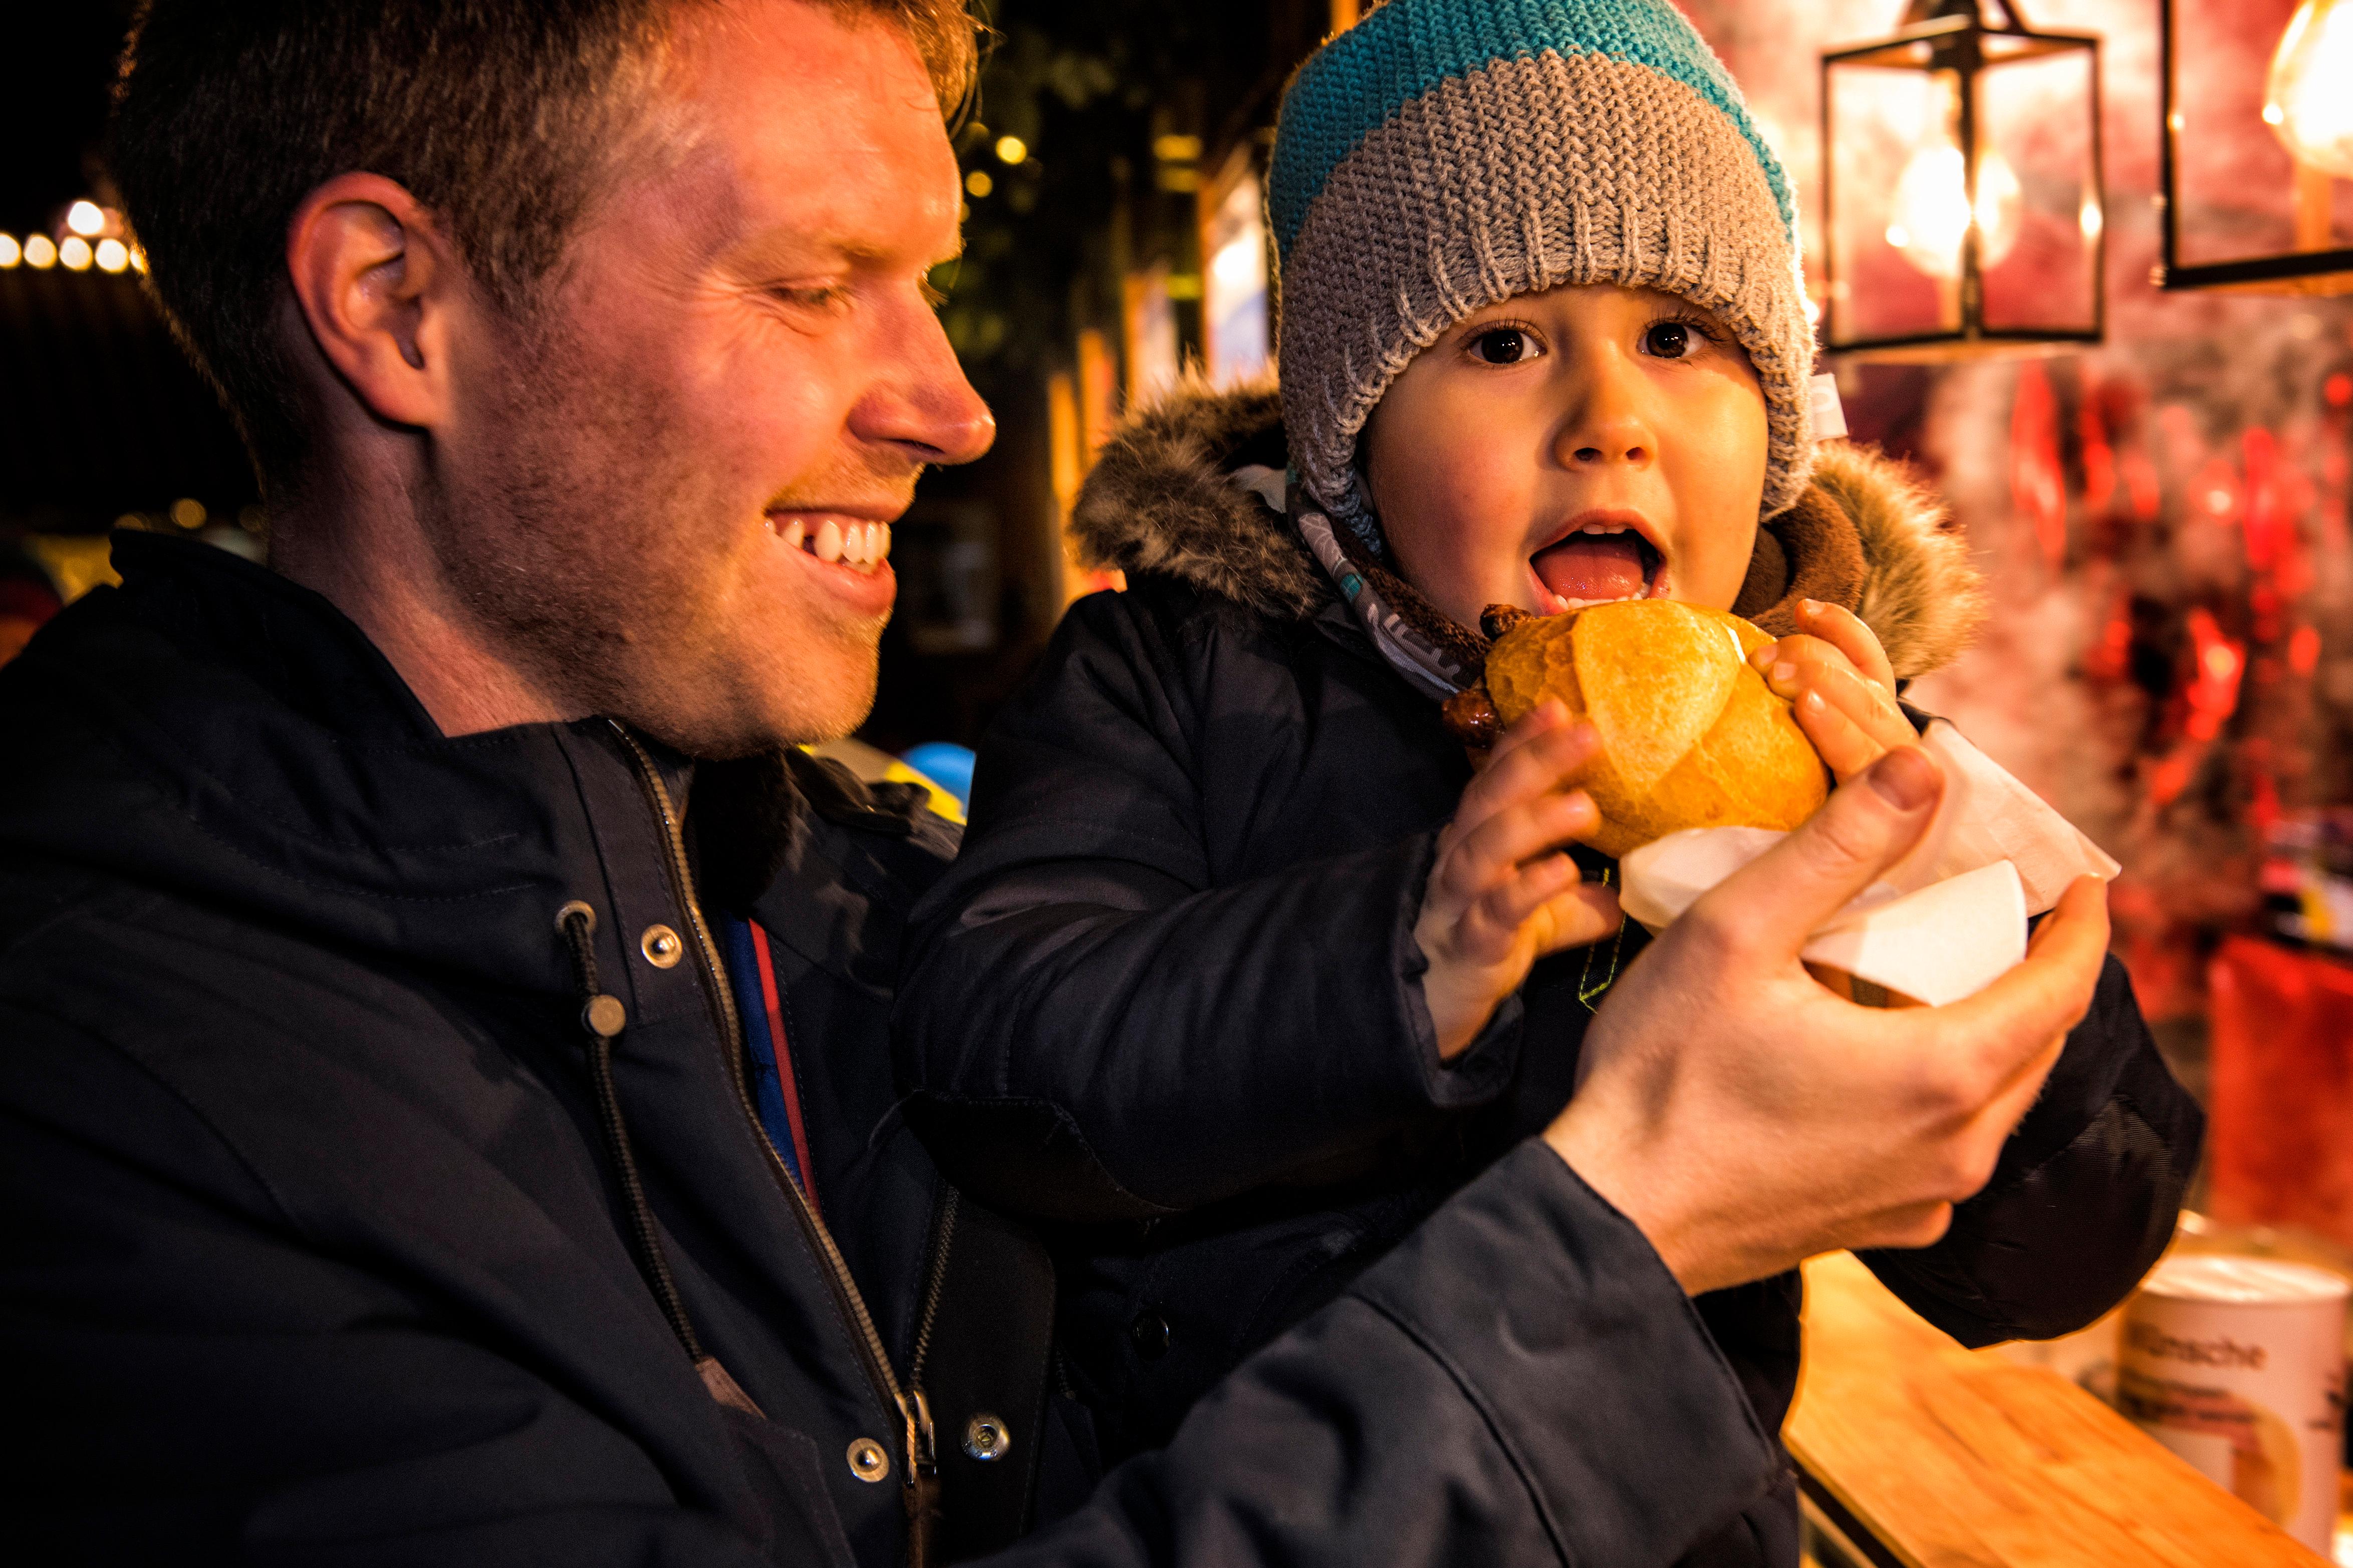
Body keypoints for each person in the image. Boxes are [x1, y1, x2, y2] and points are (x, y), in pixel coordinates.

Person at [0, 0, 2140, 1564]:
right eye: (815, 279)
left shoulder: (799, 873)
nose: (947, 405)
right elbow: (1056, 1058)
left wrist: (1988, 982)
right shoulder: (130, 1095)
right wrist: (1616, 1200)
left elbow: (2045, 1230)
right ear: (394, 306)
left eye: (1685, 344)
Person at [893, 1, 2203, 1560]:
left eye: (1681, 338)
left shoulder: (1830, 729)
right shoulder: (1171, 674)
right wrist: (1409, 950)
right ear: (1351, 437)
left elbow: (2061, 1258)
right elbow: (997, 1062)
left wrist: (1946, 913)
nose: (1610, 424)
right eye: (1501, 343)